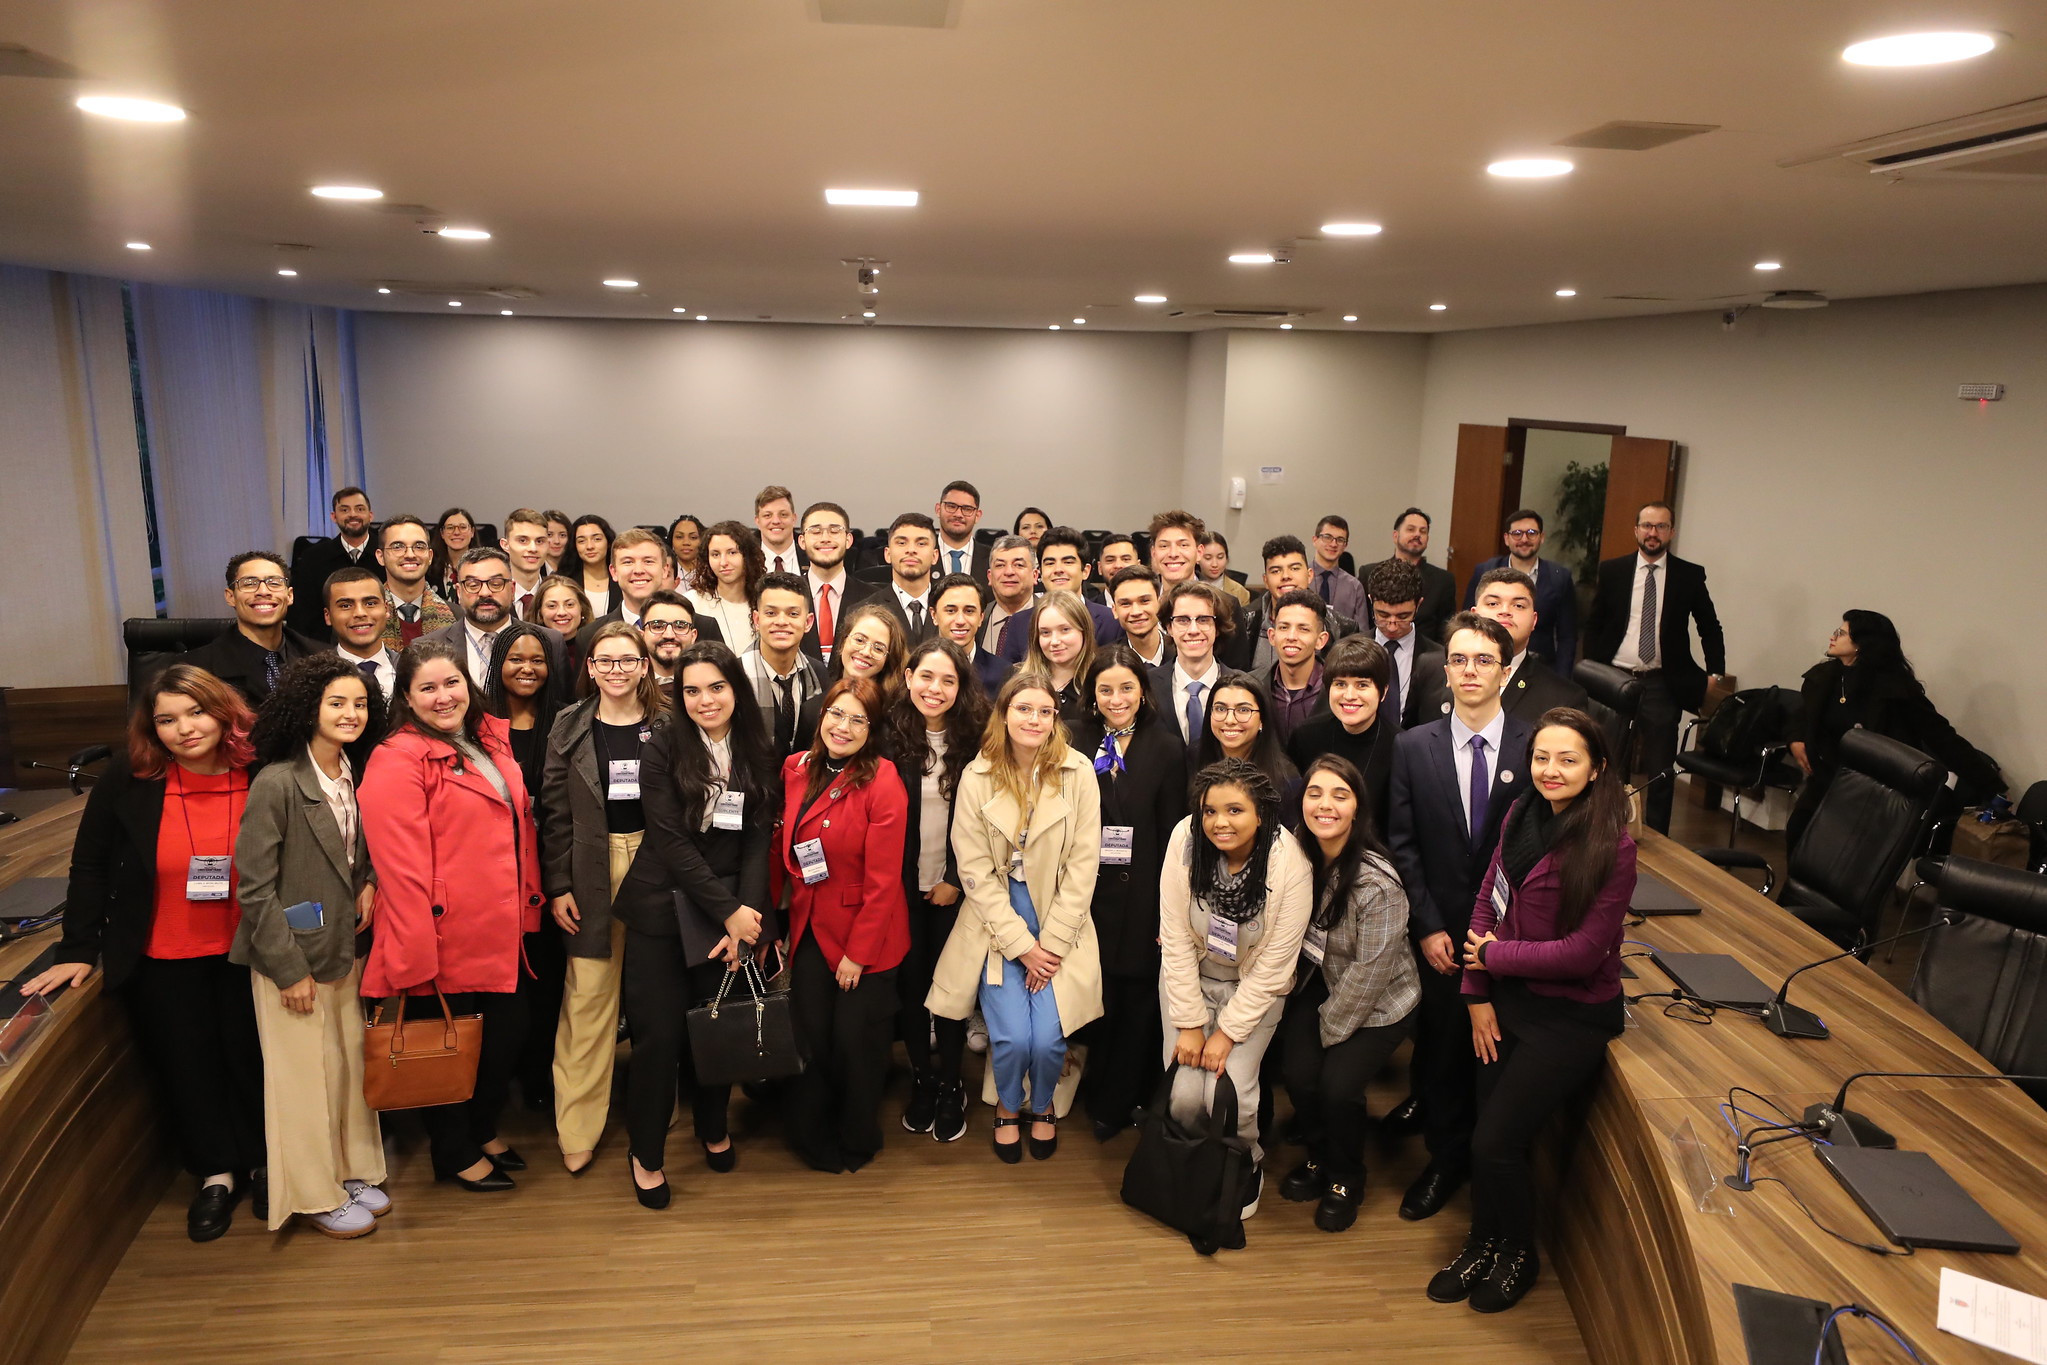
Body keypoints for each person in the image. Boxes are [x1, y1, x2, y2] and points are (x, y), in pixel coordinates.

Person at [22, 665, 266, 1242]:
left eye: (196, 712)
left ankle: (265, 1160)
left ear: (223, 711)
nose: (184, 729)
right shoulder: (130, 780)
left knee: (253, 1062)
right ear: (150, 728)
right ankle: (216, 1175)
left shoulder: (262, 771)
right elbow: (90, 864)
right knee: (189, 1066)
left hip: (251, 951)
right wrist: (78, 947)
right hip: (165, 953)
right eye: (166, 719)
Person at [1432, 707, 1634, 1313]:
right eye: (1542, 757)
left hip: (1571, 1016)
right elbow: (1485, 906)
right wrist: (1476, 994)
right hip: (1506, 1001)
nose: (1550, 770)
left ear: (1597, 769)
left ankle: (1519, 1254)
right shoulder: (1521, 814)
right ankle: (1482, 1241)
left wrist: (1497, 957)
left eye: (1568, 760)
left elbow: (1581, 954)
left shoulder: (1612, 847)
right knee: (1483, 1139)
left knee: (1497, 1142)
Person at [359, 640, 540, 1193]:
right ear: (408, 699)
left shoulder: (484, 738)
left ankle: (481, 1128)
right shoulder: (396, 759)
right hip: (441, 931)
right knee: (447, 1046)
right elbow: (399, 865)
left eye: (452, 683)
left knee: (503, 1037)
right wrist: (415, 950)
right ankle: (453, 1149)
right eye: (428, 689)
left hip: (500, 923)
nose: (444, 697)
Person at [613, 642, 777, 1207]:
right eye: (691, 690)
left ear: (737, 689)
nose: (705, 700)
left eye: (716, 687)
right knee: (658, 1041)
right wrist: (727, 911)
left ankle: (712, 1126)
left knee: (717, 1030)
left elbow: (759, 839)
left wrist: (746, 921)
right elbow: (669, 841)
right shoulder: (661, 745)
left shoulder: (758, 746)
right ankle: (647, 1153)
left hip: (729, 911)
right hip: (663, 906)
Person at [233, 655, 388, 1238]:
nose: (352, 714)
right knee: (303, 1083)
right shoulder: (277, 781)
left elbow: (356, 851)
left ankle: (348, 1173)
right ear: (307, 710)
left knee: (345, 1071)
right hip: (290, 961)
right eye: (337, 703)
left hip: (342, 950)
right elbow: (253, 888)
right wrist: (287, 969)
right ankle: (314, 1194)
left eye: (360, 704)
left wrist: (368, 880)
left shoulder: (351, 770)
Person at [1386, 612, 1532, 1222]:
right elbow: (1403, 844)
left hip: (1513, 937)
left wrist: (1504, 932)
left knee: (1500, 1056)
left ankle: (1490, 1161)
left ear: (1505, 670)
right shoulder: (1412, 746)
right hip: (1443, 934)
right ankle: (1445, 1160)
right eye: (1460, 660)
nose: (1470, 671)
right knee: (1443, 1053)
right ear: (1445, 670)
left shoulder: (1537, 746)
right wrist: (1428, 926)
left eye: (1484, 661)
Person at [930, 673, 1103, 1162]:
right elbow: (974, 871)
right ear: (1004, 715)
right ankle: (1008, 1107)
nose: (1033, 719)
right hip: (996, 924)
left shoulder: (1078, 772)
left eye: (1044, 711)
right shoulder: (977, 774)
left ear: (1054, 719)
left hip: (1059, 924)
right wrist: (1021, 945)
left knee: (1048, 1040)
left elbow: (1084, 866)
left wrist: (1048, 944)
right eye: (1023, 709)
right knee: (1009, 1037)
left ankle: (1042, 1104)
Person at [1158, 758, 1313, 1217]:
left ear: (1261, 814)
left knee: (1232, 1091)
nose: (1219, 823)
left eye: (1234, 811)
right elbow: (1175, 937)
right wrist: (1189, 1023)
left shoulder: (1291, 863)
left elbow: (1274, 965)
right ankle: (1192, 1162)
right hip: (1192, 980)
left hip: (1254, 991)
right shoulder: (1185, 841)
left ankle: (1244, 1161)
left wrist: (1225, 1033)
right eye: (1209, 811)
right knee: (1184, 1094)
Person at [539, 622, 664, 1174]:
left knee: (659, 1000)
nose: (616, 670)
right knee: (588, 1000)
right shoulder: (568, 726)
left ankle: (660, 1109)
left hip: (659, 866)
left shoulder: (670, 723)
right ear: (589, 668)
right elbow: (554, 814)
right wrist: (558, 884)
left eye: (626, 660)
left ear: (644, 665)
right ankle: (578, 1125)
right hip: (590, 867)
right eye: (604, 661)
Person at [1278, 755, 1419, 1232]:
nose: (1325, 805)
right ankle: (1319, 1156)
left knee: (1337, 1087)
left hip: (1379, 1001)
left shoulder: (1377, 882)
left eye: (1340, 796)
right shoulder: (1297, 856)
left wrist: (1327, 1031)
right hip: (1320, 981)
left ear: (1357, 809)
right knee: (1297, 1074)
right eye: (1316, 793)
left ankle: (1345, 1176)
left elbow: (1371, 972)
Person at [776, 678, 910, 1172]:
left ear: (872, 730)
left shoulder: (883, 780)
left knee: (857, 1042)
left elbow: (883, 882)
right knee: (811, 1036)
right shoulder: (797, 768)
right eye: (837, 714)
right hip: (810, 924)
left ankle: (857, 1136)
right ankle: (810, 1133)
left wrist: (858, 954)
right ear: (822, 714)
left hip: (865, 934)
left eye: (858, 719)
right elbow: (781, 848)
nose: (844, 727)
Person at [1069, 646, 1186, 1139]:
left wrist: (1167, 916)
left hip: (1141, 897)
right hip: (1086, 895)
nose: (1116, 699)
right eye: (1105, 689)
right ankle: (1096, 1089)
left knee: (1136, 1003)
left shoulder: (1165, 747)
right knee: (1100, 999)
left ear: (1144, 691)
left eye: (1126, 688)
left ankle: (1118, 1104)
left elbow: (1173, 837)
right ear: (1092, 695)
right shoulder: (1075, 740)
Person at [1786, 610, 2002, 850]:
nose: (1832, 636)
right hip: (1827, 777)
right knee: (1798, 833)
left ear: (1861, 644)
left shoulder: (1896, 690)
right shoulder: (1825, 677)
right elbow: (1803, 714)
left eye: (1842, 633)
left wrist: (1992, 785)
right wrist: (1796, 738)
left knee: (1838, 854)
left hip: (1873, 788)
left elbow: (1942, 737)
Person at [889, 639, 991, 1143]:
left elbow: (983, 822)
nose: (935, 688)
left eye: (948, 680)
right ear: (908, 678)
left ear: (961, 687)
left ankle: (952, 1084)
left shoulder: (974, 738)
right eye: (926, 677)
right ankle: (922, 1080)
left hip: (955, 886)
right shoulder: (887, 735)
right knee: (911, 992)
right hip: (900, 889)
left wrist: (954, 877)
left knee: (950, 992)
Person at [1583, 502, 1725, 833]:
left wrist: (1715, 672)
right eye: (1647, 525)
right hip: (1615, 679)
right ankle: (1606, 830)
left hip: (1661, 684)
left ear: (1671, 533)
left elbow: (1709, 625)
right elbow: (1594, 623)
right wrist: (1591, 667)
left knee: (1661, 768)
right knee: (1609, 761)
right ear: (1636, 530)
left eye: (1661, 526)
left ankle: (1658, 838)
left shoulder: (1689, 575)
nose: (1653, 533)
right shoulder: (1613, 570)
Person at [484, 621, 566, 1112]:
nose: (527, 669)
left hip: (550, 870)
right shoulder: (477, 725)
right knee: (503, 985)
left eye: (537, 659)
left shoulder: (565, 721)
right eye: (516, 659)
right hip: (496, 875)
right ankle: (500, 1074)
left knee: (549, 978)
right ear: (498, 666)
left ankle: (540, 1073)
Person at [1414, 569, 1588, 725]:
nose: (1505, 611)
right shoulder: (1431, 668)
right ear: (1473, 614)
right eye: (1493, 604)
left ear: (1534, 620)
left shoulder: (1563, 698)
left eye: (1518, 605)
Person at [181, 551, 323, 708]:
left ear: (289, 596)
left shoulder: (323, 658)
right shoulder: (195, 669)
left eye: (274, 583)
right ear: (230, 597)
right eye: (249, 583)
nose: (263, 591)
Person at [1287, 636, 1396, 832]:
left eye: (1362, 685)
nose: (1349, 695)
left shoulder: (1401, 746)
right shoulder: (1305, 737)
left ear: (1384, 692)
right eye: (1340, 684)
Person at [425, 545, 570, 691]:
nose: (485, 593)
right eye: (473, 585)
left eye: (496, 584)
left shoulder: (550, 642)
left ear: (512, 590)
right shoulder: (430, 647)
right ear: (458, 592)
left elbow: (563, 707)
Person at [1462, 509, 1577, 668]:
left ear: (1541, 537)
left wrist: (1563, 678)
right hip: (1486, 662)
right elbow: (1467, 623)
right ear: (1506, 539)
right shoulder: (1484, 571)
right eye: (1517, 533)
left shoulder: (1560, 577)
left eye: (1531, 533)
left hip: (1540, 667)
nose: (1524, 539)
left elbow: (1567, 636)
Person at [996, 528, 1122, 657]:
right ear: (1040, 572)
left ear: (1085, 571)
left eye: (1068, 562)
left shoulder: (1111, 621)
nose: (1058, 569)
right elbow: (1011, 675)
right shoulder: (1019, 623)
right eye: (1050, 563)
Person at [743, 572, 826, 758]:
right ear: (756, 620)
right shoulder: (734, 675)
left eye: (793, 614)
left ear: (808, 622)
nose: (781, 622)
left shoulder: (818, 673)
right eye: (771, 613)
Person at [1200, 672, 1302, 816]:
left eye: (1243, 710)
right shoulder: (1193, 759)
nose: (1230, 720)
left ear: (1262, 720)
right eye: (1220, 709)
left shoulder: (1287, 779)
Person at [1151, 578, 1232, 752]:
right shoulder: (1147, 686)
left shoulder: (1242, 687)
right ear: (1169, 627)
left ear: (1217, 628)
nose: (1193, 630)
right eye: (1183, 620)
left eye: (1203, 620)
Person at [288, 486, 381, 637]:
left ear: (370, 515)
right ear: (334, 516)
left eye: (359, 509)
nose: (353, 515)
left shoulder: (387, 554)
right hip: (326, 645)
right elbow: (302, 611)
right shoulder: (312, 558)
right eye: (344, 510)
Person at [1362, 509, 1458, 646]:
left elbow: (1446, 629)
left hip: (1424, 656)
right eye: (1411, 529)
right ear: (1395, 536)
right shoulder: (1370, 572)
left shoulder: (1443, 580)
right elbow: (1364, 622)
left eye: (1423, 531)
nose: (1417, 534)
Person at [799, 500, 876, 662]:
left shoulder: (873, 599)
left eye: (834, 531)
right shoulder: (787, 596)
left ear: (848, 540)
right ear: (802, 541)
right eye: (815, 531)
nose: (825, 538)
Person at [1367, 559, 1430, 729]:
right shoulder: (1349, 649)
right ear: (1371, 600)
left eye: (1403, 617)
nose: (1392, 626)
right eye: (1382, 615)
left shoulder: (1437, 658)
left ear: (1419, 605)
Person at [1264, 588, 1333, 743]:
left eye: (1303, 629)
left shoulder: (1337, 690)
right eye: (1284, 627)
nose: (1291, 637)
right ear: (1272, 636)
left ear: (1321, 640)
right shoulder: (1253, 686)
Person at [687, 519, 765, 654]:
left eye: (732, 552)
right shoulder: (693, 602)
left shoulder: (765, 601)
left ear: (747, 556)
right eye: (715, 554)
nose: (723, 562)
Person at [1020, 588, 1097, 723]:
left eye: (1065, 630)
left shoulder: (1100, 684)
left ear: (1084, 631)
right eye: (1045, 632)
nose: (1054, 641)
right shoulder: (1017, 681)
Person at [376, 515, 454, 648]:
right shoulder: (365, 619)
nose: (410, 555)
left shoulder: (455, 616)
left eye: (418, 546)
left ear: (430, 556)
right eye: (398, 547)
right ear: (380, 556)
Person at [325, 565, 399, 702]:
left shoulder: (412, 671)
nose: (360, 613)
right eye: (346, 606)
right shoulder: (315, 678)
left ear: (386, 609)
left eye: (370, 603)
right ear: (328, 616)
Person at [929, 571, 1009, 694]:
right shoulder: (918, 668)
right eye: (951, 611)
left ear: (981, 617)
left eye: (969, 611)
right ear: (934, 615)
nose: (960, 620)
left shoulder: (1004, 674)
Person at [826, 600, 910, 716]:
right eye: (859, 640)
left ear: (888, 661)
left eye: (878, 649)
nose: (866, 652)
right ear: (842, 643)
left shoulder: (895, 718)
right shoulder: (812, 708)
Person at [875, 512, 940, 644]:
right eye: (902, 543)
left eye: (921, 543)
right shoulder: (865, 611)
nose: (911, 550)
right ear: (887, 554)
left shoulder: (951, 609)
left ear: (935, 556)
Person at [980, 535, 1039, 657]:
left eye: (1018, 565)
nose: (1009, 572)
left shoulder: (1049, 617)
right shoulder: (977, 620)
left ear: (1035, 575)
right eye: (1000, 565)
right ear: (990, 577)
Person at [1306, 516, 1370, 624]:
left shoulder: (1354, 587)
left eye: (1340, 540)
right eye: (1327, 537)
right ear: (1315, 540)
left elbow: (1362, 634)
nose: (1333, 544)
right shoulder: (1299, 578)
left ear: (1345, 545)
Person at [1109, 566, 1172, 672]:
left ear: (1160, 603)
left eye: (1144, 601)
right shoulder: (1106, 663)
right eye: (1126, 604)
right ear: (1115, 610)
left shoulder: (1183, 652)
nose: (1136, 612)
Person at [640, 591, 701, 697]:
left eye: (680, 626)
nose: (669, 635)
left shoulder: (707, 682)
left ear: (693, 636)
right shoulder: (630, 686)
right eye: (657, 626)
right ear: (642, 636)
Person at [499, 508, 552, 619]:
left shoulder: (558, 593)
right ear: (505, 545)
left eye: (539, 541)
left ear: (548, 545)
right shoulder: (492, 595)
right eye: (523, 540)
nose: (533, 548)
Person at [933, 479, 989, 580]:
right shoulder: (923, 555)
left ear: (977, 516)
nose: (958, 514)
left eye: (967, 509)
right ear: (938, 510)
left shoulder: (992, 559)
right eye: (951, 506)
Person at [534, 575, 596, 660]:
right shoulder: (530, 651)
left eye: (569, 605)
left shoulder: (597, 648)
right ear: (539, 612)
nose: (561, 612)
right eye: (552, 606)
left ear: (582, 608)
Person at [570, 515, 621, 616]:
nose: (590, 546)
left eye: (597, 539)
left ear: (609, 542)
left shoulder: (622, 578)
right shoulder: (566, 581)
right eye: (581, 541)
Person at [754, 485, 806, 576]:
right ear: (757, 521)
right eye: (767, 515)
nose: (776, 521)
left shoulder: (812, 554)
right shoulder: (745, 558)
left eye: (783, 514)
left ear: (794, 519)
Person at [428, 507, 479, 599]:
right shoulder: (429, 568)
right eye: (450, 528)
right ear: (442, 533)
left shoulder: (484, 567)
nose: (456, 532)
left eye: (462, 527)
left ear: (472, 532)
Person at [1199, 531, 1253, 610]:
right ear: (1197, 558)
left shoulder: (1240, 592)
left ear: (1227, 559)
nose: (1214, 564)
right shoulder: (1186, 588)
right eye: (1208, 558)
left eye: (1220, 557)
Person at [1094, 536, 1141, 605]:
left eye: (1126, 559)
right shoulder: (1087, 611)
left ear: (1138, 565)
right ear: (1100, 568)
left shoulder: (1156, 608)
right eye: (1110, 560)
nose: (1118, 565)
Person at [667, 514, 704, 586]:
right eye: (679, 537)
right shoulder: (664, 572)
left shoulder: (712, 573)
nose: (686, 543)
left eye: (693, 537)